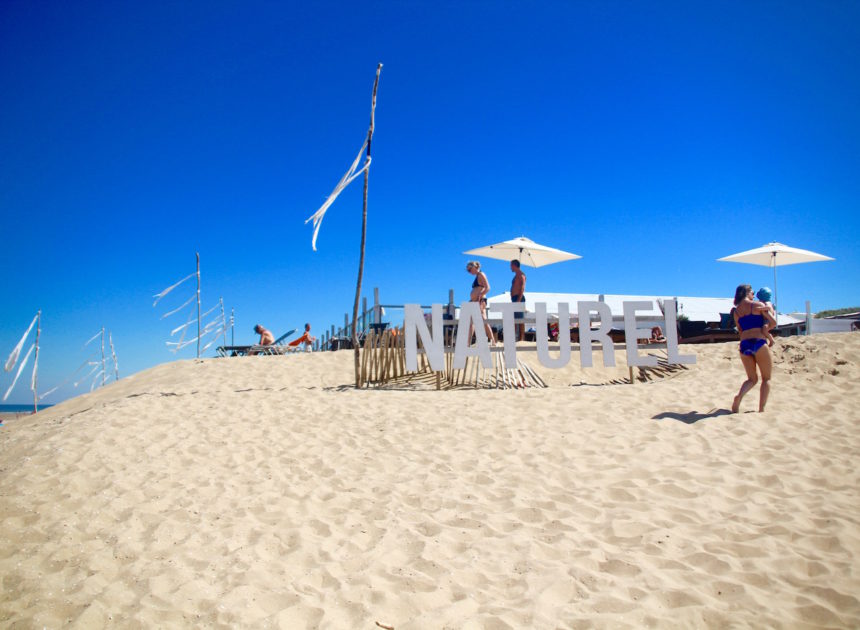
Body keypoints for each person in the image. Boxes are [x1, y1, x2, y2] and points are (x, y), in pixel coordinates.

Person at [731, 284, 776, 413]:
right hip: (759, 342)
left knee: (752, 379)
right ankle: (761, 409)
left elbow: (740, 330)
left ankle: (739, 397)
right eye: (752, 292)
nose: (753, 295)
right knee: (766, 378)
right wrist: (767, 331)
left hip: (744, 344)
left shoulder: (736, 312)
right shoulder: (756, 305)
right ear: (747, 293)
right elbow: (773, 322)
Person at [466, 261, 495, 345]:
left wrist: (480, 295)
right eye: (468, 270)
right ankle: (468, 342)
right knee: (472, 321)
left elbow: (488, 287)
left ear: (475, 267)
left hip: (480, 300)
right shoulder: (477, 276)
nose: (469, 272)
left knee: (483, 319)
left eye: (470, 269)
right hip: (475, 301)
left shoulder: (481, 274)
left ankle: (493, 340)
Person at [510, 259, 527, 341]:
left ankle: (521, 339)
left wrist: (519, 300)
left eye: (511, 265)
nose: (510, 267)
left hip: (518, 298)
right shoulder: (516, 275)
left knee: (520, 319)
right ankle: (515, 338)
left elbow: (523, 287)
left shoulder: (521, 275)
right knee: (514, 319)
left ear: (514, 265)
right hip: (514, 298)